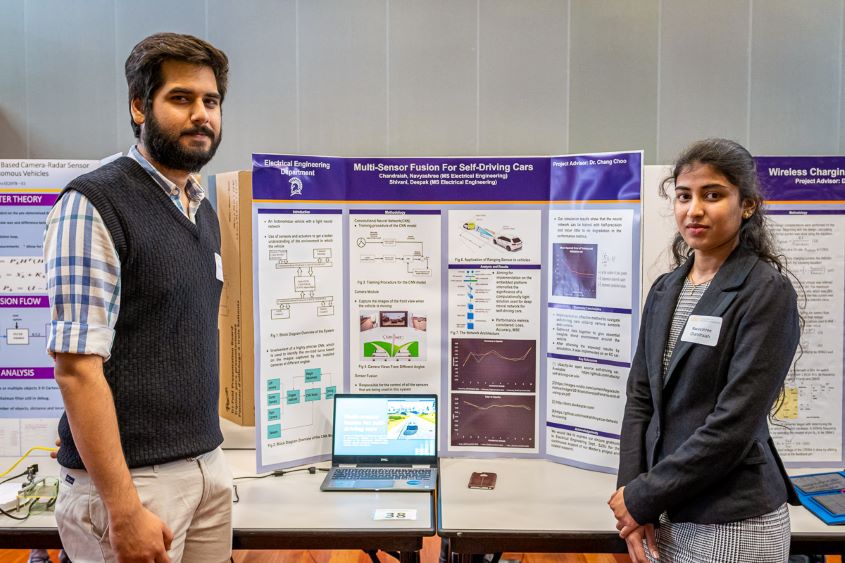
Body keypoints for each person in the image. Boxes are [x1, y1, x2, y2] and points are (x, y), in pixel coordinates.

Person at [44, 33, 231, 562]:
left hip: (205, 469)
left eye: (210, 101)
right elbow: (76, 368)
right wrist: (123, 509)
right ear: (138, 106)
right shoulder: (95, 204)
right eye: (181, 98)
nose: (201, 115)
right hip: (133, 486)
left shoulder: (201, 210)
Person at [609, 138, 800, 563]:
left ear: (746, 205)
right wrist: (631, 498)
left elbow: (733, 425)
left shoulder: (765, 292)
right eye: (684, 195)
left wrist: (643, 495)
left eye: (712, 195)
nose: (694, 210)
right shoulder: (666, 288)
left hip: (734, 522)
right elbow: (640, 399)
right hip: (665, 515)